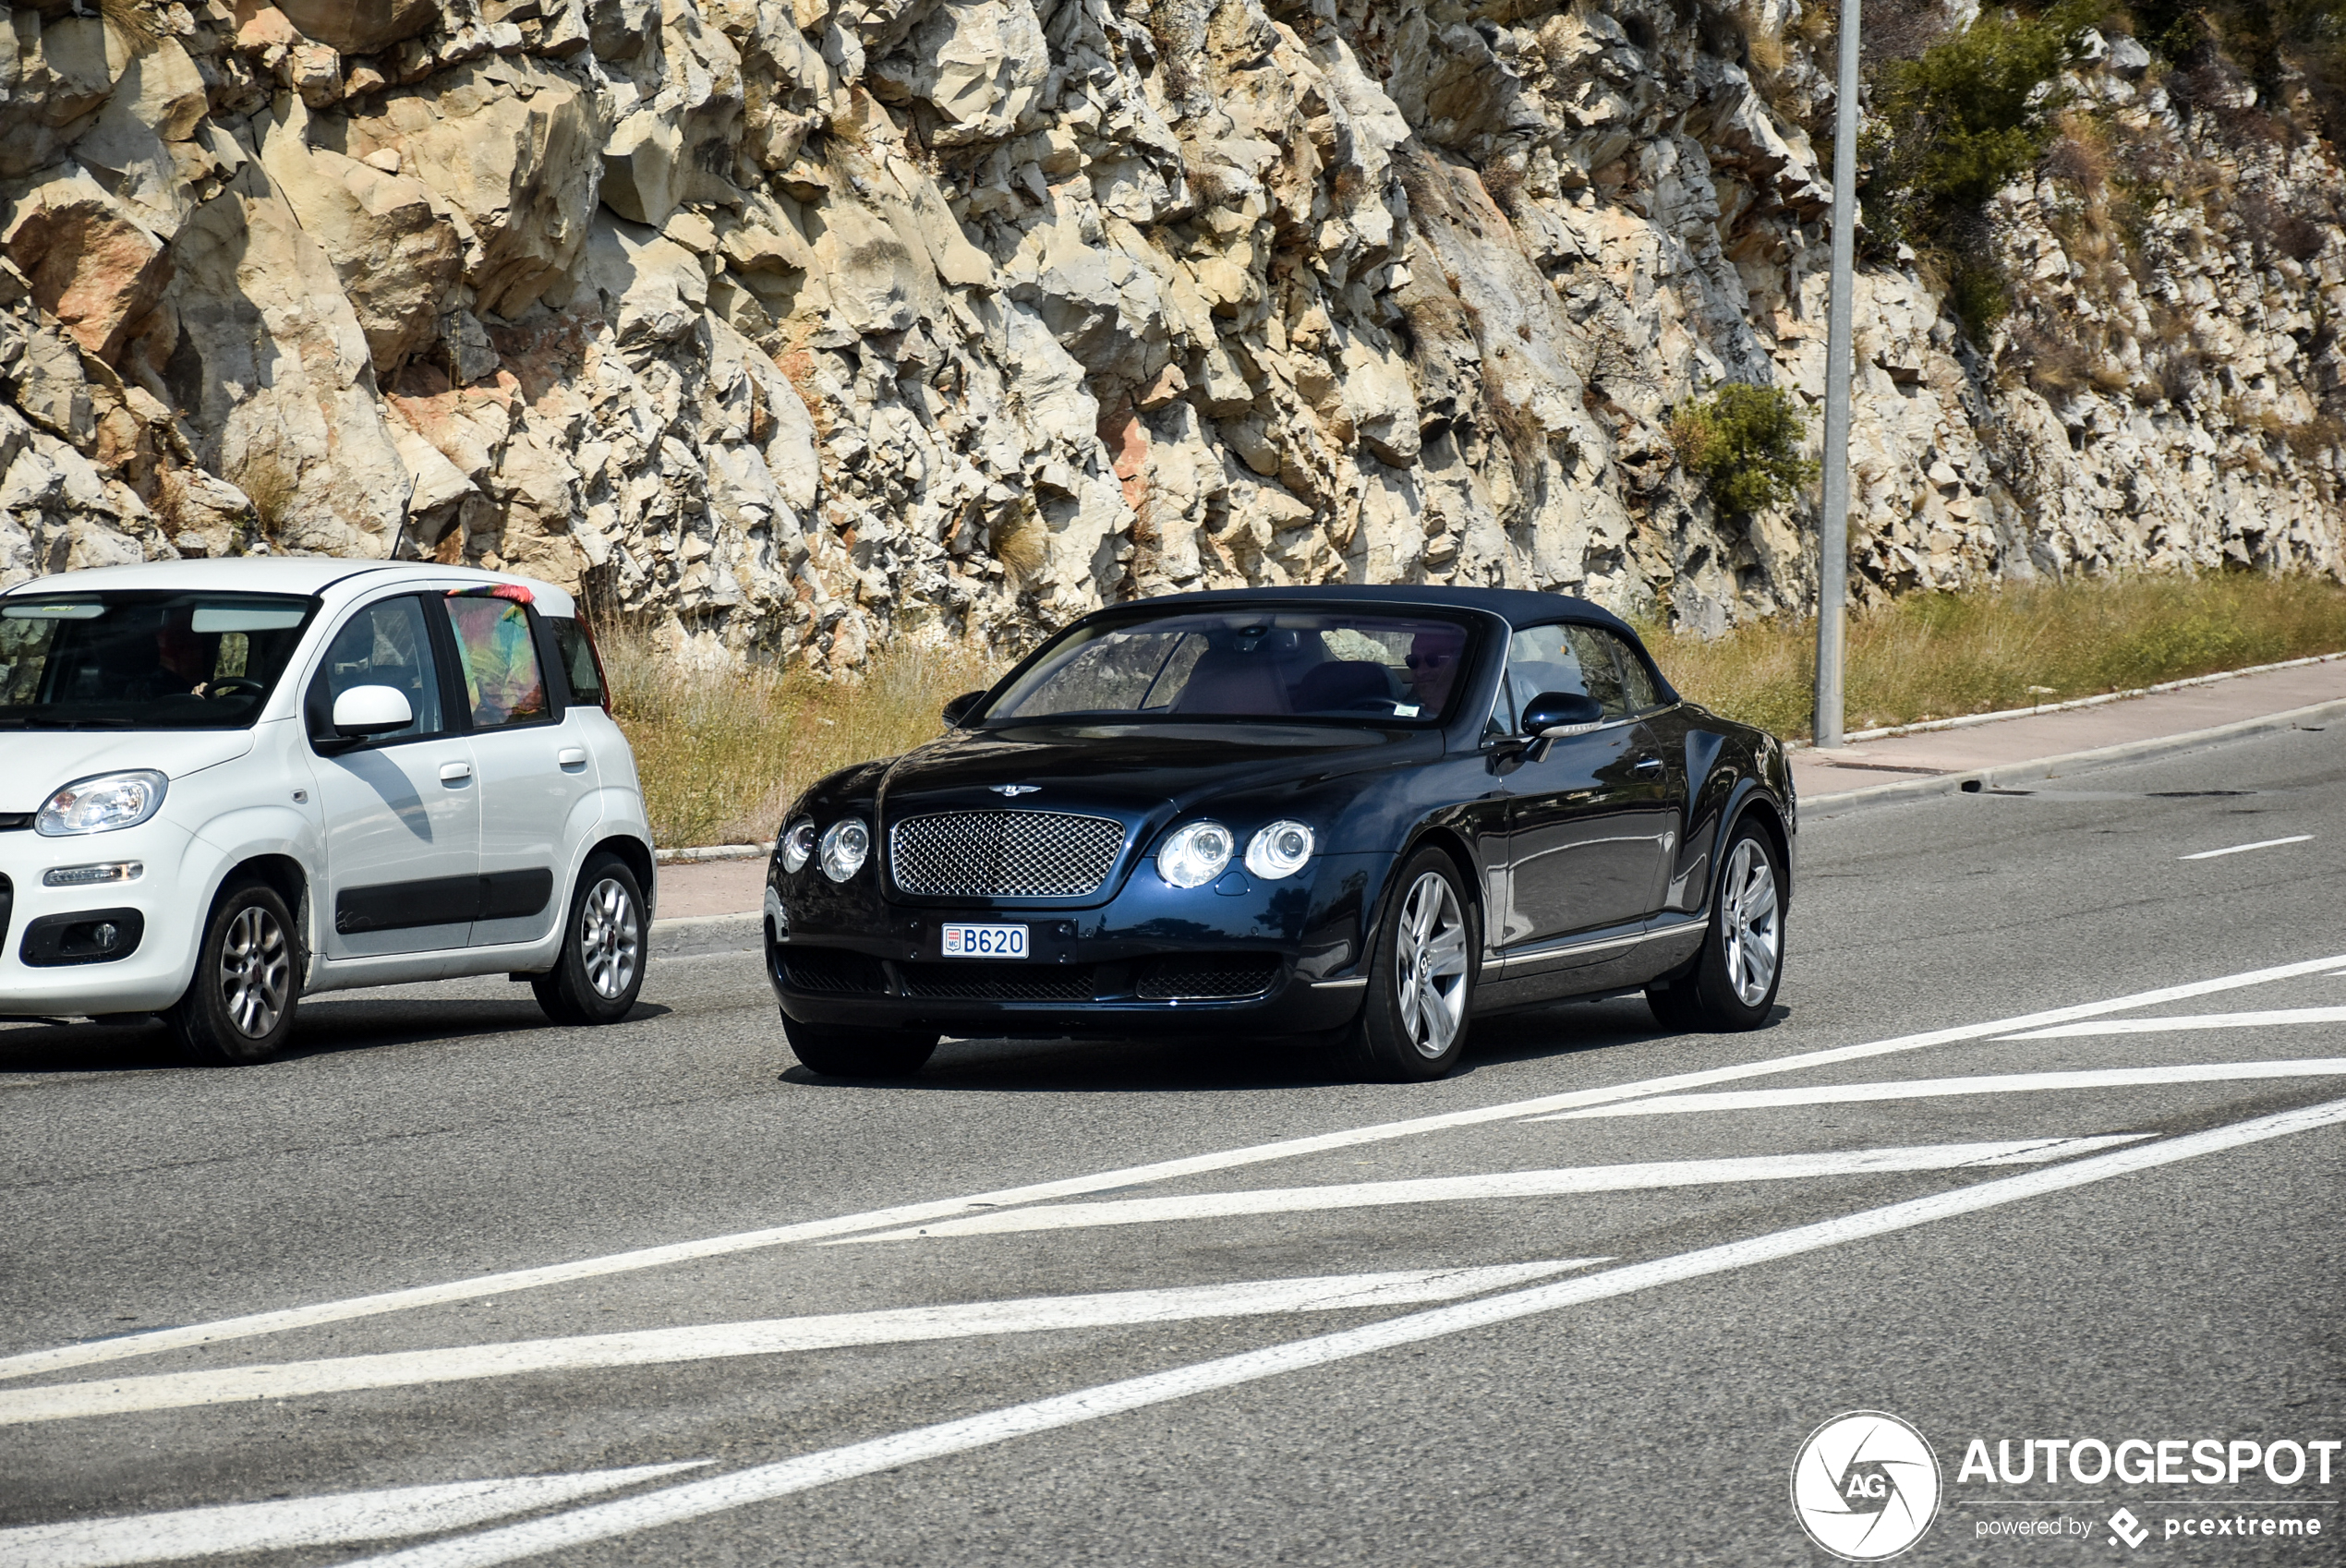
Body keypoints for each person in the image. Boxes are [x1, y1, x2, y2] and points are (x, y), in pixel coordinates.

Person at [1402, 625, 1466, 715]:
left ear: (1460, 663)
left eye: (1432, 660)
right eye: (1413, 661)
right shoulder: (1396, 716)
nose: (1420, 672)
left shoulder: (1477, 720)